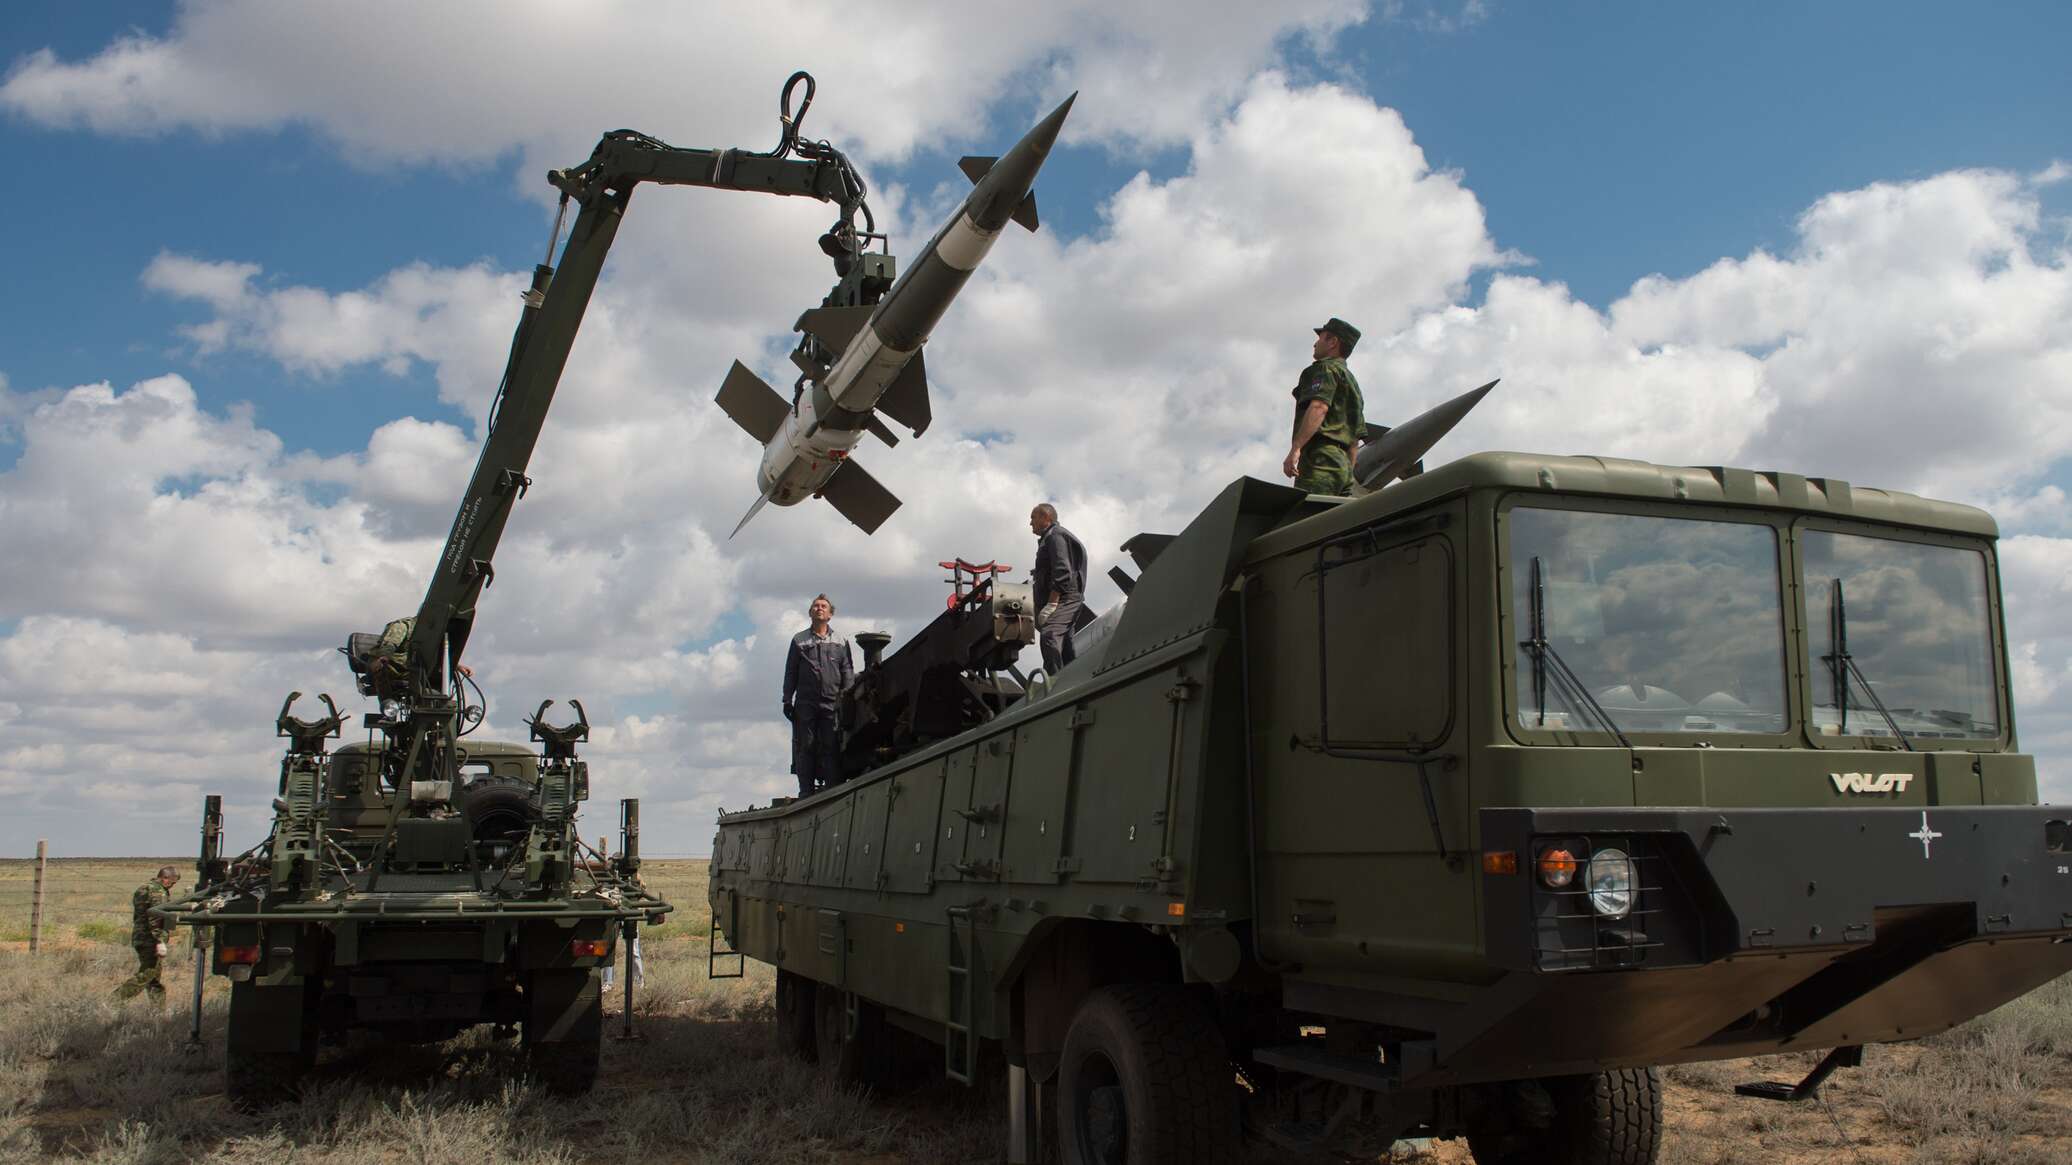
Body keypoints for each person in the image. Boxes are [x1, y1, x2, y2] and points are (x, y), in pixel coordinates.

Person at [1282, 317, 1369, 496]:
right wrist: (1348, 475)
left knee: (1309, 520)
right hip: (1344, 469)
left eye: (1320, 338)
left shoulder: (1324, 369)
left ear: (1333, 342)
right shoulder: (1354, 386)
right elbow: (1354, 440)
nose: (1315, 344)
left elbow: (1319, 407)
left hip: (1320, 461)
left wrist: (1296, 448)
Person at [782, 594, 854, 796]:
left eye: (823, 606)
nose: (819, 608)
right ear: (810, 612)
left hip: (832, 702)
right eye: (815, 606)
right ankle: (806, 791)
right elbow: (791, 671)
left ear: (830, 615)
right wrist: (787, 699)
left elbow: (847, 670)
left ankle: (832, 788)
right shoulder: (799, 640)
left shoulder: (841, 641)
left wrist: (848, 697)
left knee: (831, 745)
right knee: (806, 746)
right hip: (806, 702)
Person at [1028, 504, 1089, 676]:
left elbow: (1062, 570)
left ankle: (1055, 685)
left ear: (1046, 518)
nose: (1030, 523)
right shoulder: (1050, 537)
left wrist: (1052, 602)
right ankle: (1074, 679)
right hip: (1064, 597)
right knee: (1066, 647)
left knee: (1050, 635)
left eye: (1033, 517)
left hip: (1065, 598)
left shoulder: (1055, 536)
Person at [114, 865, 178, 1001]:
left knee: (153, 977)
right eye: (172, 883)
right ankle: (115, 999)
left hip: (141, 937)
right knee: (146, 974)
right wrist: (160, 941)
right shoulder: (157, 891)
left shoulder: (143, 888)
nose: (172, 886)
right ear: (165, 879)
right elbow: (156, 916)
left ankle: (157, 1011)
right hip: (150, 940)